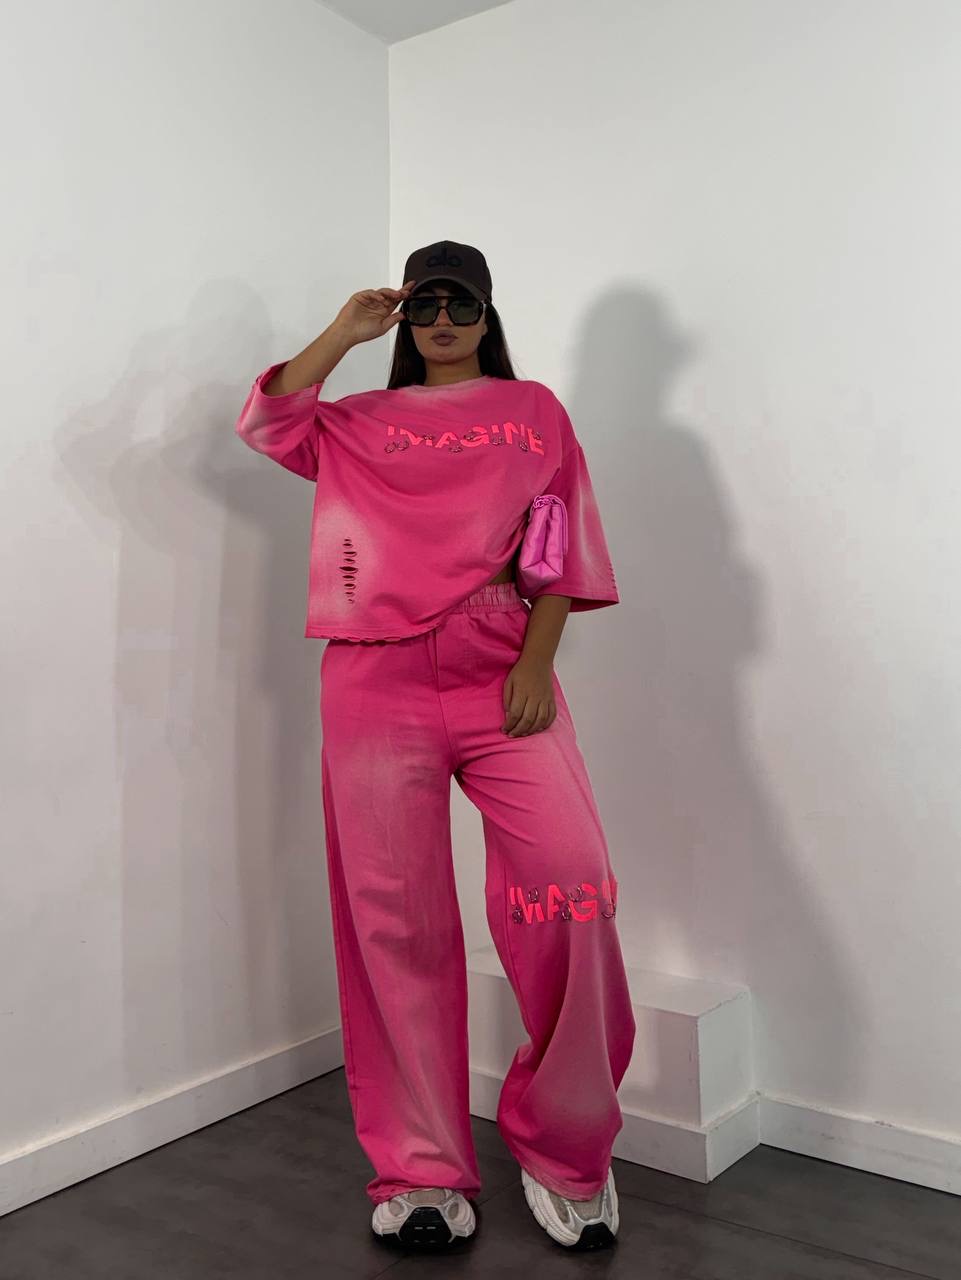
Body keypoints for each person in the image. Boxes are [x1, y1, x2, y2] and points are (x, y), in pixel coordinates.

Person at [234, 241, 636, 1252]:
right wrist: (344, 331)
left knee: (570, 884)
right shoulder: (356, 421)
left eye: (461, 303)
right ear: (405, 317)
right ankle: (420, 1169)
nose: (443, 321)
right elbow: (268, 420)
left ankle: (567, 1147)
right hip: (374, 677)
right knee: (393, 921)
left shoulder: (533, 410)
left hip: (504, 668)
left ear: (487, 314)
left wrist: (536, 663)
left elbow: (561, 543)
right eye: (425, 305)